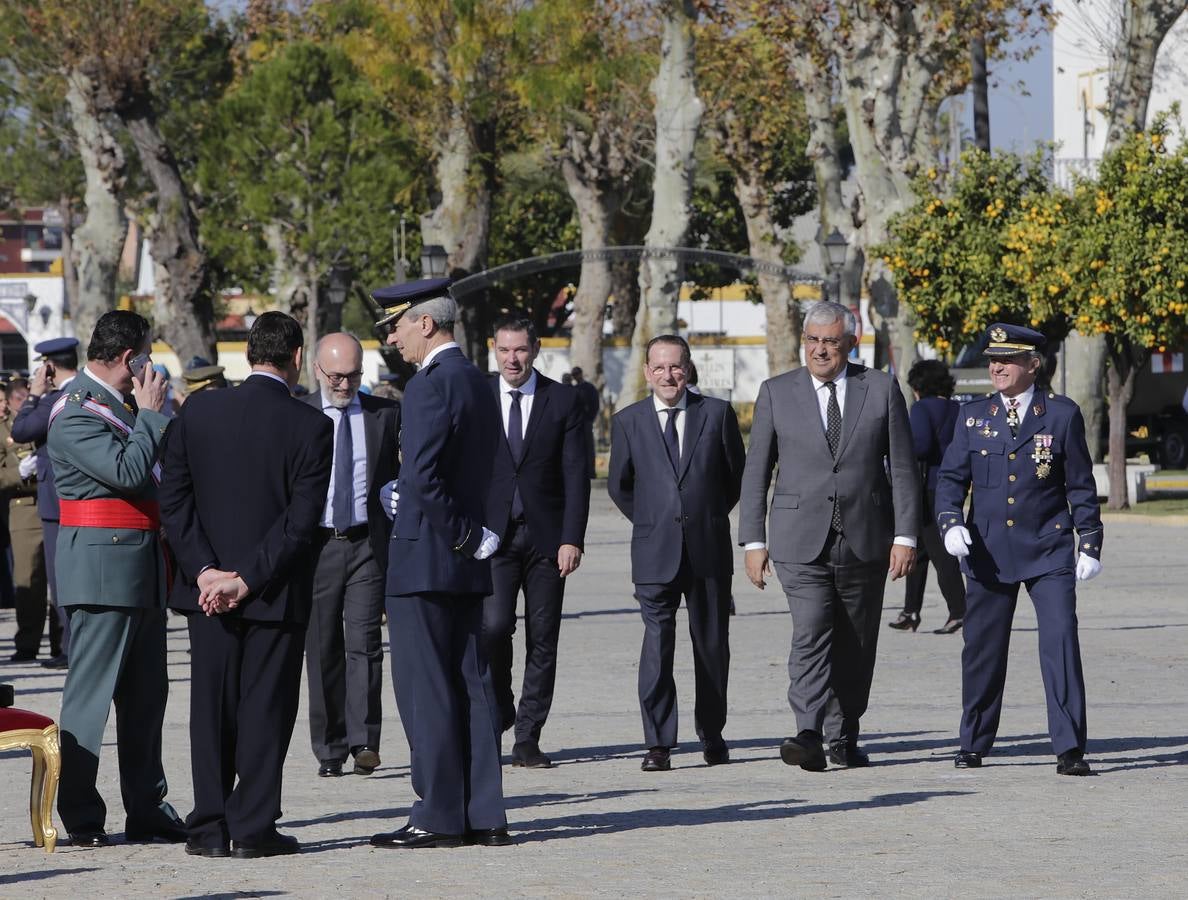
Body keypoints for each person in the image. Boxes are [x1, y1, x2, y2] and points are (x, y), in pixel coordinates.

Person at [160, 312, 333, 858]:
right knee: (266, 709)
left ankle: (208, 827)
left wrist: (206, 570)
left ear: (247, 353)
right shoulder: (311, 425)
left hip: (207, 592)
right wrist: (247, 578)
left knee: (209, 709)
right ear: (298, 358)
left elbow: (174, 501)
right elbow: (300, 522)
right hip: (273, 592)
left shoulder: (199, 411)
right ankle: (254, 828)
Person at [739, 301, 919, 771]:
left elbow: (902, 468)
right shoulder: (776, 392)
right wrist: (753, 542)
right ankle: (808, 730)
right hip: (799, 539)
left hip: (865, 537)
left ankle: (844, 735)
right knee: (812, 630)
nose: (820, 350)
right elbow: (756, 472)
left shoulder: (878, 389)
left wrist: (906, 536)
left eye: (831, 342)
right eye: (813, 341)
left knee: (857, 645)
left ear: (850, 343)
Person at [366, 278, 509, 850]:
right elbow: (491, 468)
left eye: (397, 325)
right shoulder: (477, 380)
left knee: (427, 692)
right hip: (464, 560)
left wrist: (458, 533)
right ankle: (485, 813)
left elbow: (423, 475)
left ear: (425, 323)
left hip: (427, 556)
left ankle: (437, 815)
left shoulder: (427, 385)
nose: (394, 338)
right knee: (472, 685)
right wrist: (479, 537)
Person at [935, 323, 1102, 776]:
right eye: (992, 359)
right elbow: (950, 479)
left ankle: (1069, 748)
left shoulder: (1061, 414)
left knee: (1060, 642)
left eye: (1007, 360)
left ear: (1032, 364)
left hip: (1048, 548)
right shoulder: (972, 416)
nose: (997, 367)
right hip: (988, 550)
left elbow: (1080, 485)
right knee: (982, 649)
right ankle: (973, 741)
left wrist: (1089, 541)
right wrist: (950, 522)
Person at [45, 311, 184, 847]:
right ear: (130, 358)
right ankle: (80, 813)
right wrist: (150, 416)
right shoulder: (76, 411)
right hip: (102, 568)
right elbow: (127, 473)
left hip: (142, 563)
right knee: (91, 698)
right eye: (145, 356)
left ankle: (147, 806)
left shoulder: (119, 406)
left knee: (148, 697)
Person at [608, 334, 746, 771]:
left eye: (676, 367)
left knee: (711, 647)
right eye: (660, 367)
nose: (669, 375)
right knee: (657, 647)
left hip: (707, 550)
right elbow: (620, 485)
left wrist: (701, 516)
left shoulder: (717, 414)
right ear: (648, 372)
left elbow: (733, 478)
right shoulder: (628, 421)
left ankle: (712, 732)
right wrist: (654, 519)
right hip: (654, 553)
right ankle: (659, 742)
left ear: (688, 369)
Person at [483, 314, 590, 769]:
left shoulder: (561, 400)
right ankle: (500, 708)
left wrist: (572, 538)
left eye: (521, 350)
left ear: (536, 348)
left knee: (543, 638)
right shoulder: (479, 396)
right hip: (493, 538)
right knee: (492, 628)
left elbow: (577, 475)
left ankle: (528, 735)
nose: (513, 358)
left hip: (547, 539)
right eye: (505, 350)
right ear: (494, 348)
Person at [303, 333, 401, 778]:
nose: (344, 385)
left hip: (366, 544)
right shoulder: (300, 414)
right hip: (318, 546)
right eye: (336, 376)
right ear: (317, 370)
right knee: (323, 647)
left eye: (353, 376)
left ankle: (365, 740)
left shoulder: (384, 416)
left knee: (364, 644)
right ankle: (329, 746)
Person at [12, 336, 81, 669]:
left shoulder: (54, 398)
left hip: (57, 501)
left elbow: (22, 429)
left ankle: (69, 647)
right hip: (75, 499)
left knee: (61, 579)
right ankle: (65, 644)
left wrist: (34, 393)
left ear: (50, 366)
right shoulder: (83, 390)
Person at [888, 359, 967, 634]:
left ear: (918, 386)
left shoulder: (922, 408)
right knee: (919, 552)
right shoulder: (957, 408)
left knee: (941, 554)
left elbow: (920, 445)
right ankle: (910, 610)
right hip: (952, 485)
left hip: (928, 488)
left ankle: (959, 611)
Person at [2, 378, 53, 663]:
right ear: (9, 403)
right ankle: (28, 643)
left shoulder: (47, 418)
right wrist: (17, 473)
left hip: (55, 501)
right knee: (28, 580)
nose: (25, 403)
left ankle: (63, 645)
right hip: (25, 507)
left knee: (60, 581)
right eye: (18, 398)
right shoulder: (3, 431)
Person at [570, 366, 600, 477]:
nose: (576, 376)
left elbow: (595, 404)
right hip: (575, 423)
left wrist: (590, 419)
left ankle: (591, 471)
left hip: (586, 422)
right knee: (576, 448)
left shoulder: (589, 388)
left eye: (577, 374)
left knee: (588, 447)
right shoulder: (573, 389)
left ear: (581, 374)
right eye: (574, 375)